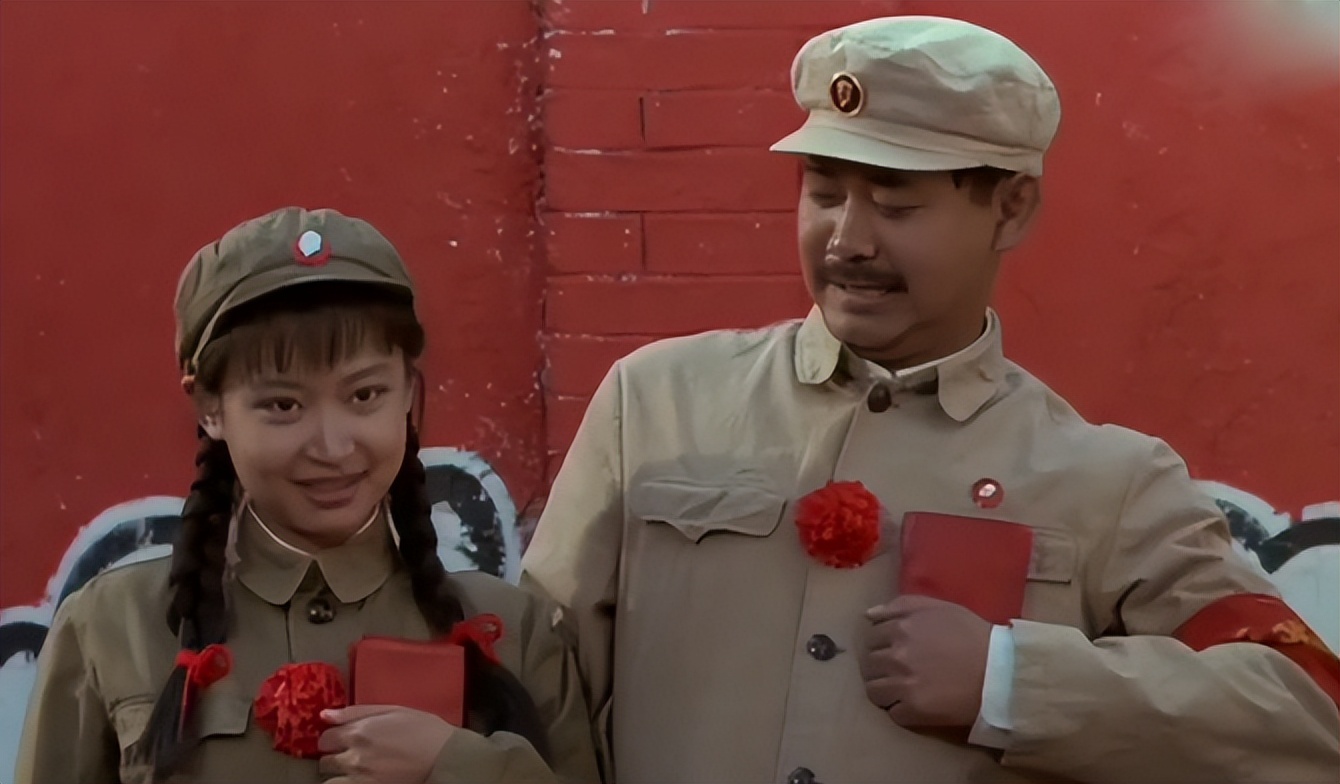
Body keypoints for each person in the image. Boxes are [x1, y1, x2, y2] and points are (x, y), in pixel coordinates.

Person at [521, 15, 1340, 784]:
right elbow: (537, 695)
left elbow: (1308, 713)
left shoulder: (1109, 484)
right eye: (824, 192)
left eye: (896, 202)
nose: (848, 240)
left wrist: (1008, 681)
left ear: (1010, 208)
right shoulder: (655, 405)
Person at [16, 207, 600, 783]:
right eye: (284, 405)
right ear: (210, 408)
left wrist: (457, 765)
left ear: (407, 391)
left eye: (365, 395)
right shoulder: (111, 628)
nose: (332, 446)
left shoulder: (514, 633)